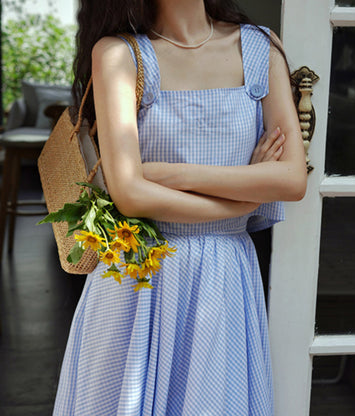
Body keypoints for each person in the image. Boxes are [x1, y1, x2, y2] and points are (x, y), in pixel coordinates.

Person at [53, 0, 307, 414]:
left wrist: (171, 174)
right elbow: (131, 196)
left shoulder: (261, 48)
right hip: (140, 277)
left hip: (224, 279)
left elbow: (292, 180)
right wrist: (241, 201)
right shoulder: (119, 53)